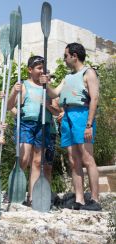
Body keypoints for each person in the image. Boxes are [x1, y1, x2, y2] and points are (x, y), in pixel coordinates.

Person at [41, 43, 101, 211]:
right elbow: (54, 94)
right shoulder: (67, 77)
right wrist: (46, 84)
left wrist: (89, 125)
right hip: (67, 117)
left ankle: (95, 200)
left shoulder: (88, 73)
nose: (64, 59)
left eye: (65, 56)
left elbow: (94, 99)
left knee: (87, 159)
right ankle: (80, 199)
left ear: (74, 56)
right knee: (73, 160)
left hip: (82, 116)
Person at [6, 55, 60, 205]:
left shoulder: (47, 87)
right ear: (30, 70)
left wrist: (48, 102)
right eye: (38, 68)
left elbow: (57, 111)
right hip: (26, 125)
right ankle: (13, 192)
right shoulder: (22, 85)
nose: (42, 71)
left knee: (37, 162)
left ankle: (32, 197)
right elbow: (9, 106)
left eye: (43, 68)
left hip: (44, 125)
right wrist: (14, 94)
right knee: (23, 159)